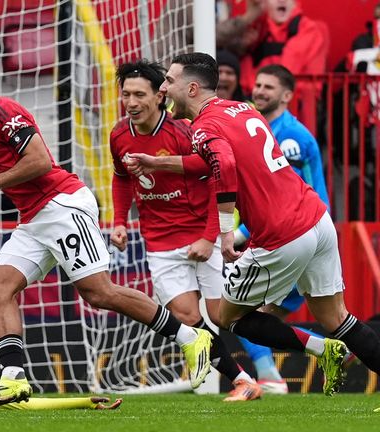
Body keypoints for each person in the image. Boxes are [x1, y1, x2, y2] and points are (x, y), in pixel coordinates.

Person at [0, 60, 213, 408]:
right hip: (34, 218)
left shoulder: (2, 112)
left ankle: (189, 336)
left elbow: (40, 161)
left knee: (99, 293)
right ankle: (12, 379)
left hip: (62, 206)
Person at [126, 53, 380, 405]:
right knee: (337, 318)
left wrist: (226, 230)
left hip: (282, 234)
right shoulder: (240, 109)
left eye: (169, 81)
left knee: (229, 318)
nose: (164, 88)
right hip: (316, 219)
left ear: (193, 87)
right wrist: (160, 162)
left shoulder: (202, 126)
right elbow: (215, 158)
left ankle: (320, 351)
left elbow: (224, 163)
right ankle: (329, 348)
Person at [110, 60, 261, 402]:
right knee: (187, 317)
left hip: (199, 235)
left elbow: (215, 181)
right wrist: (120, 220)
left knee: (222, 317)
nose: (131, 102)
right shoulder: (119, 135)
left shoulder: (183, 132)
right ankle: (244, 382)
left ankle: (308, 342)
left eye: (139, 95)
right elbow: (121, 178)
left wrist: (209, 236)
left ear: (159, 97)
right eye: (126, 95)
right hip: (160, 241)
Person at [233, 64, 333, 394]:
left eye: (269, 87)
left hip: (295, 234)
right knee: (265, 316)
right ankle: (334, 351)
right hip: (298, 233)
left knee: (240, 312)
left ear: (287, 96)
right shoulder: (261, 128)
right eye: (258, 85)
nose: (259, 91)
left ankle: (272, 377)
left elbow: (284, 199)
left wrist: (241, 233)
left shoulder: (290, 137)